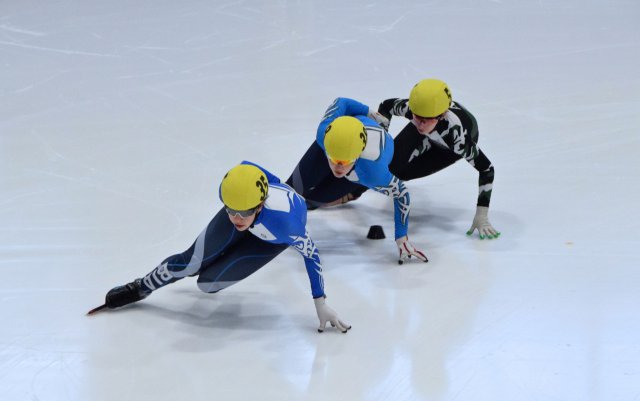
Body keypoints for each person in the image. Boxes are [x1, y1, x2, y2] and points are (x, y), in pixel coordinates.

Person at [91, 161, 350, 333]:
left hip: (271, 238)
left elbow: (311, 254)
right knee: (191, 262)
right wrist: (239, 209)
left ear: (259, 205)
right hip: (259, 213)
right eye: (230, 210)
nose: (236, 219)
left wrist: (320, 303)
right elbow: (250, 168)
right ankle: (141, 287)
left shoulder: (286, 224)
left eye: (243, 213)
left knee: (208, 285)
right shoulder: (240, 194)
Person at [311, 79, 501, 240]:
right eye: (415, 117)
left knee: (402, 174)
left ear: (441, 116)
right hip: (433, 130)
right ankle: (353, 190)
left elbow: (487, 169)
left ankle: (353, 193)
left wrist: (481, 215)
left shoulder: (457, 138)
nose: (417, 122)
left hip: (446, 149)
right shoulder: (415, 112)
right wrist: (381, 140)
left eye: (424, 120)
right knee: (391, 162)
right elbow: (386, 105)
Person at [286, 97, 428, 264]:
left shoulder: (372, 171)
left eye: (345, 162)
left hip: (360, 168)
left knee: (314, 199)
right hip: (341, 145)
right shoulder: (324, 134)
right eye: (333, 159)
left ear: (357, 156)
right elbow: (341, 102)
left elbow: (402, 194)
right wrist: (368, 111)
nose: (338, 167)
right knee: (291, 190)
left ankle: (322, 195)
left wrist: (401, 238)